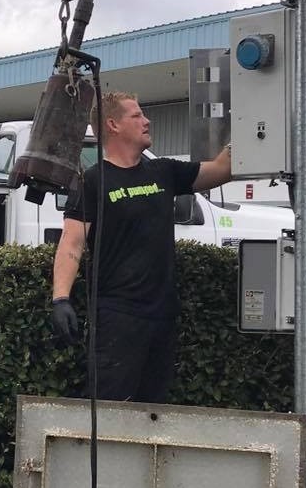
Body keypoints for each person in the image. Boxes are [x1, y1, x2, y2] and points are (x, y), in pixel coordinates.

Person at [51, 91, 231, 403]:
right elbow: (71, 243)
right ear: (113, 124)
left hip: (162, 315)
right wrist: (60, 299)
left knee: (153, 412)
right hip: (118, 317)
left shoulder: (163, 171)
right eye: (136, 116)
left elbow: (221, 170)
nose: (146, 121)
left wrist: (253, 124)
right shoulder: (93, 181)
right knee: (110, 408)